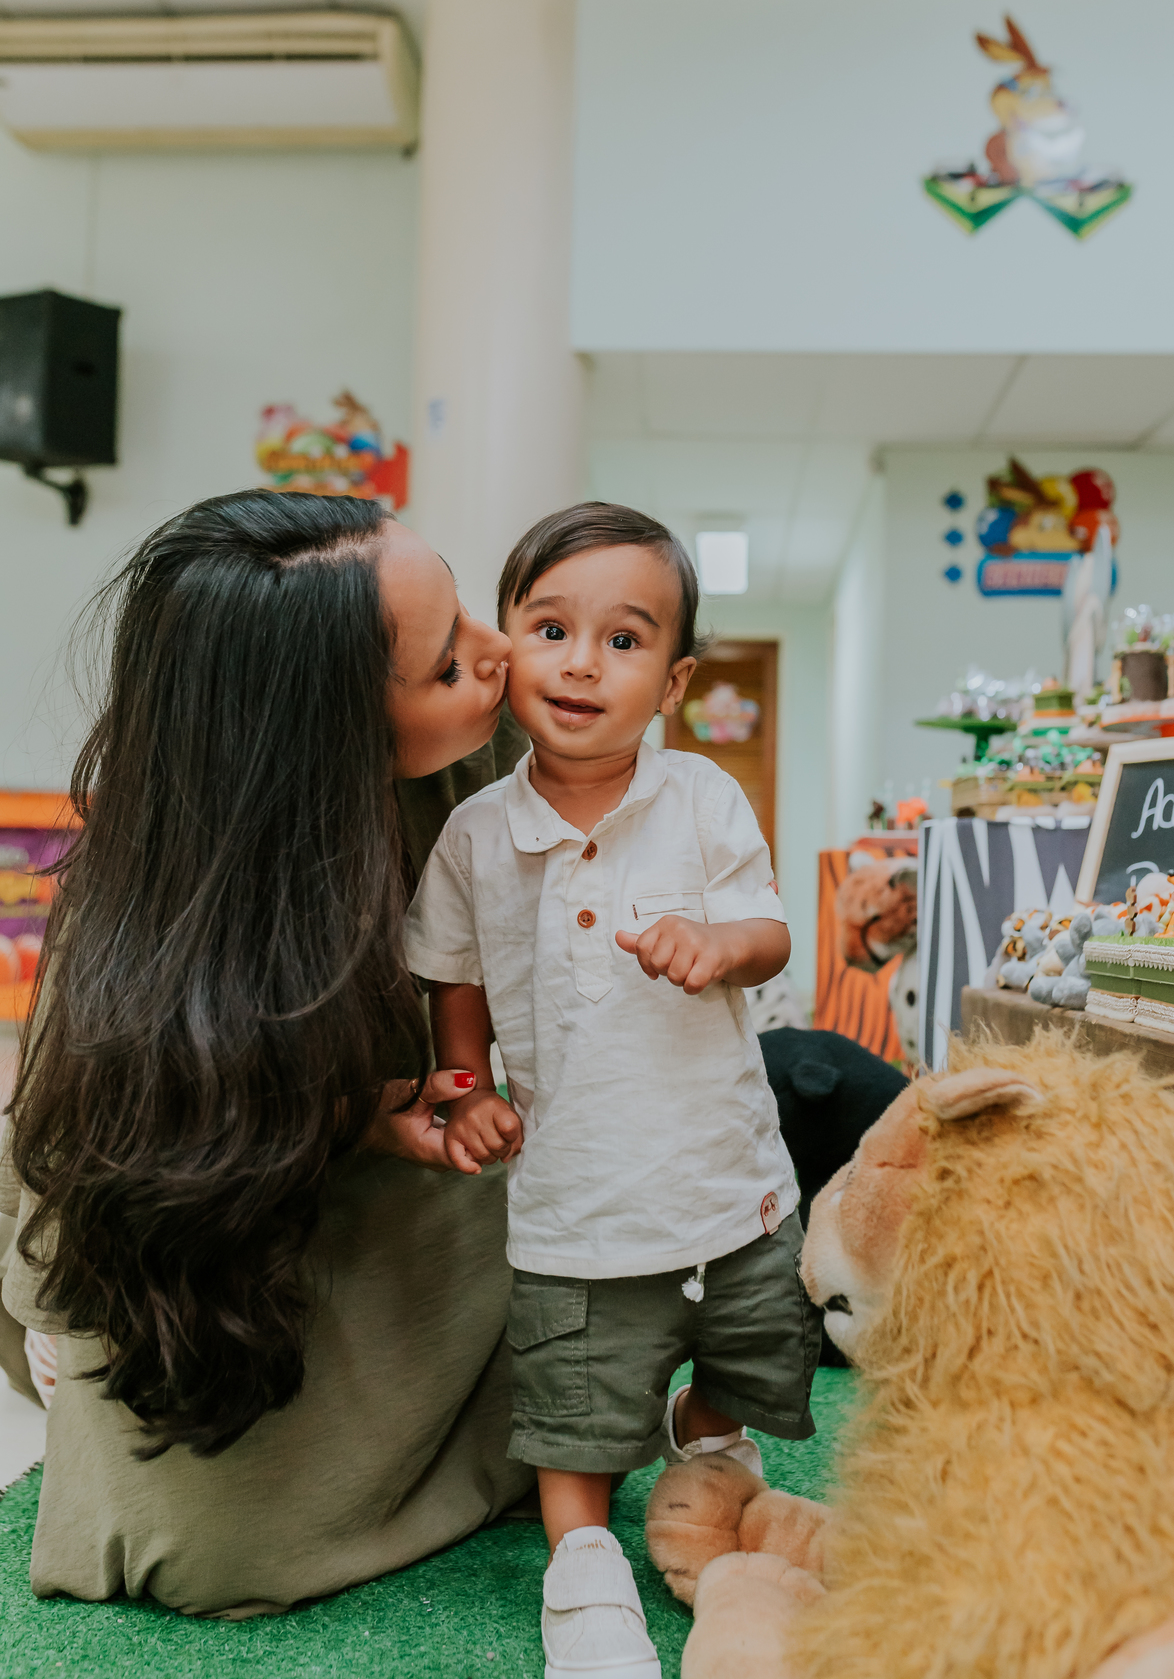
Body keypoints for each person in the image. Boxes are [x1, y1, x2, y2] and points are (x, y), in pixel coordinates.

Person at [0, 490, 533, 1617]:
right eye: (446, 667)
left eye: (468, 611)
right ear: (324, 746)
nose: (501, 651)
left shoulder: (504, 766)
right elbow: (74, 1157)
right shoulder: (146, 894)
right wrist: (331, 1118)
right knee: (200, 1537)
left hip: (447, 1211)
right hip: (231, 1268)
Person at [403, 503, 822, 1679]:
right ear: (506, 646)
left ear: (676, 679)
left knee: (756, 1338)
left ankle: (709, 1435)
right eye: (551, 627)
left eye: (624, 640)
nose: (583, 662)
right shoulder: (477, 835)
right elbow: (455, 979)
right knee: (573, 1387)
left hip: (727, 1172)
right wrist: (464, 1087)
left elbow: (773, 931)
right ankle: (581, 1561)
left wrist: (716, 943)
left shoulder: (701, 801)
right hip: (575, 1191)